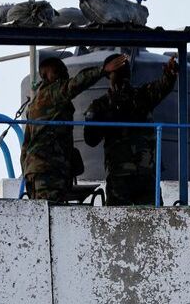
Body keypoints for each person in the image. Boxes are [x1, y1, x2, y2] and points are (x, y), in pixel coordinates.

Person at [22, 54, 128, 201]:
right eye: (59, 71)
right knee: (51, 214)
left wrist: (27, 171)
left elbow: (26, 144)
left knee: (44, 214)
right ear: (46, 75)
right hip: (49, 169)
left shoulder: (34, 105)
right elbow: (76, 84)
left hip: (38, 171)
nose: (65, 74)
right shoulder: (52, 93)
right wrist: (103, 70)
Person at [84, 54, 179, 206]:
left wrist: (170, 73)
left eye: (125, 73)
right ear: (109, 76)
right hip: (120, 174)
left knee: (154, 221)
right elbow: (90, 139)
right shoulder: (101, 105)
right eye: (118, 73)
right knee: (118, 222)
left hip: (144, 174)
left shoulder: (141, 96)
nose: (123, 78)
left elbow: (163, 86)